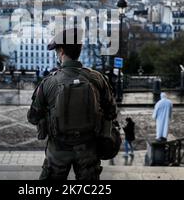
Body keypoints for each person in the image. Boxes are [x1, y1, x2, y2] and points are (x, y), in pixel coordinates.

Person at [28, 27, 117, 180]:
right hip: (88, 149)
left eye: (57, 51)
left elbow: (33, 117)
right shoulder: (97, 79)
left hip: (58, 150)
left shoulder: (49, 83)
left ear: (61, 51)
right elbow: (111, 112)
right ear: (79, 50)